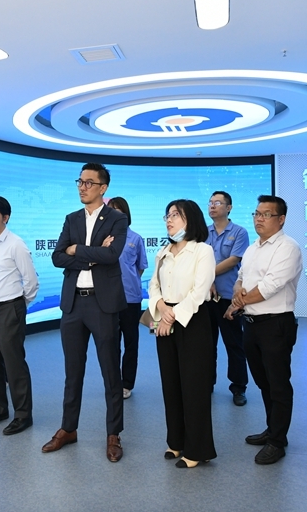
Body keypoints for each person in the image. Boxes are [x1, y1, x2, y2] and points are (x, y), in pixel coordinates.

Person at [45, 162, 128, 462]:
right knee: (72, 371)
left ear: (103, 188)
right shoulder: (72, 219)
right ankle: (68, 429)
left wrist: (76, 250)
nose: (83, 187)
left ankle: (113, 434)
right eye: (80, 181)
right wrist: (91, 255)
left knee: (110, 373)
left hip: (102, 305)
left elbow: (112, 254)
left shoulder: (117, 219)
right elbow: (57, 257)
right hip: (73, 304)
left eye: (89, 182)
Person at [225, 195, 302, 465]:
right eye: (257, 213)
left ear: (281, 219)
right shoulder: (253, 248)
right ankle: (272, 429)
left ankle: (278, 442)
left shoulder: (288, 248)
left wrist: (238, 302)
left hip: (276, 324)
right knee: (263, 382)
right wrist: (238, 293)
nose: (259, 219)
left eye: (266, 214)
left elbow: (270, 287)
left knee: (278, 384)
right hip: (251, 324)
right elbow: (241, 278)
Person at [148, 199, 217, 468]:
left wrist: (172, 315)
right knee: (171, 383)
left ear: (192, 219)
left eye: (176, 215)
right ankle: (175, 441)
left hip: (192, 320)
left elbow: (199, 292)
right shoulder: (163, 252)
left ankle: (197, 449)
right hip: (164, 318)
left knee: (194, 386)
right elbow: (153, 285)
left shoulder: (203, 250)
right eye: (167, 215)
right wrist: (162, 308)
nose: (169, 219)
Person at [0, 196, 39, 436]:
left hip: (9, 308)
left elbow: (31, 281)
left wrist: (19, 305)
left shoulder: (16, 244)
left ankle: (23, 415)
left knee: (14, 364)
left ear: (5, 217)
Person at [205, 190, 250, 406]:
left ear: (229, 207)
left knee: (234, 344)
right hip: (207, 297)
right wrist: (207, 281)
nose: (212, 206)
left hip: (229, 298)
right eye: (210, 202)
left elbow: (234, 260)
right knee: (207, 344)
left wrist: (207, 275)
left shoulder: (239, 232)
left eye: (217, 203)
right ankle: (207, 383)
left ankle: (238, 387)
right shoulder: (204, 232)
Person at [107, 197, 148, 400]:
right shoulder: (103, 239)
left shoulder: (136, 239)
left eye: (119, 210)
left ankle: (127, 383)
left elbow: (140, 267)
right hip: (108, 299)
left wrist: (128, 282)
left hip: (131, 299)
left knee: (131, 342)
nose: (115, 214)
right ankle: (113, 382)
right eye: (111, 210)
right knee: (111, 343)